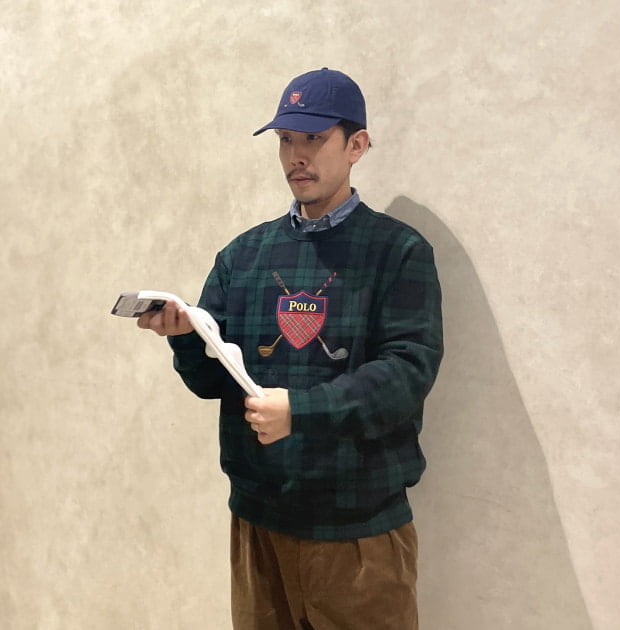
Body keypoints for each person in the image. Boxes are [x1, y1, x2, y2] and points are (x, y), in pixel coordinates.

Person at [138, 68, 443, 630]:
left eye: (313, 138)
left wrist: (300, 410)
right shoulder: (243, 255)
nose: (296, 156)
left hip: (358, 532)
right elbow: (212, 381)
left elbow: (406, 374)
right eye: (285, 140)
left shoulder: (398, 251)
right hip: (258, 522)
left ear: (356, 145)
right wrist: (183, 337)